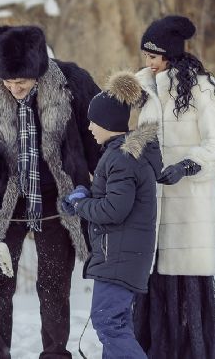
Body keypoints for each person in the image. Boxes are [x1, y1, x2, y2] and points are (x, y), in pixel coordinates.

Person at [0, 25, 101, 359]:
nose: (15, 89)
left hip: (57, 200)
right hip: (2, 201)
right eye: (8, 82)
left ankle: (55, 352)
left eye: (21, 82)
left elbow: (96, 138)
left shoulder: (72, 84)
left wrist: (107, 181)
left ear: (38, 69)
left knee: (53, 283)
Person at [131, 15, 215, 359]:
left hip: (188, 207)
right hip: (151, 208)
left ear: (171, 55)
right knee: (152, 292)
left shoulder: (205, 89)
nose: (148, 63)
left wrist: (188, 165)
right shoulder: (142, 89)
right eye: (145, 56)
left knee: (186, 295)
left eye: (153, 56)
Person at [62, 72, 163, 359]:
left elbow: (114, 210)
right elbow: (114, 199)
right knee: (114, 324)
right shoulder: (121, 154)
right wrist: (84, 196)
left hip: (119, 255)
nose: (90, 127)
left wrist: (82, 206)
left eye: (94, 121)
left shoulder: (121, 157)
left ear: (107, 122)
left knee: (109, 322)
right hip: (120, 254)